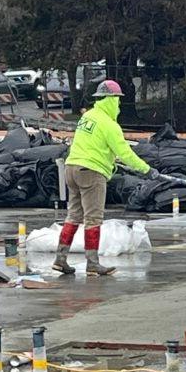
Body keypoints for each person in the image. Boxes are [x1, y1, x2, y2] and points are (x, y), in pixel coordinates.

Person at [54, 80, 156, 276]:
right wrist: (146, 169)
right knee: (93, 218)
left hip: (71, 168)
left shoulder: (87, 117)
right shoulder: (109, 125)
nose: (118, 105)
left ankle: (60, 259)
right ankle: (92, 264)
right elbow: (124, 153)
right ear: (110, 100)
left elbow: (94, 145)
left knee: (73, 215)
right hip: (91, 173)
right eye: (117, 100)